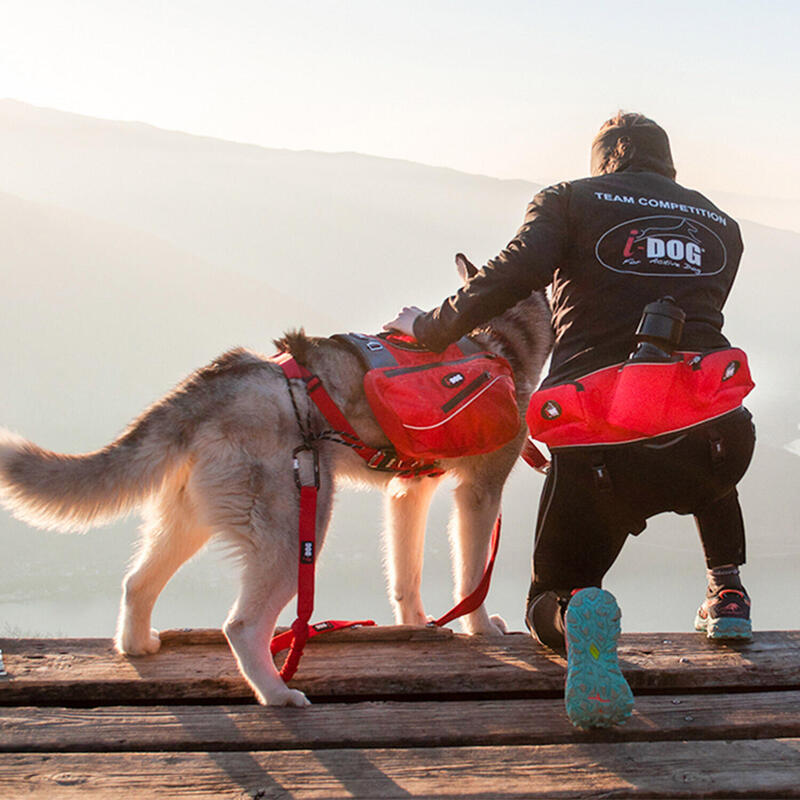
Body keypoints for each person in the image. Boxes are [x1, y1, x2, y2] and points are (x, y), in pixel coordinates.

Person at [384, 112, 755, 729]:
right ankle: (728, 591)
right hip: (717, 443)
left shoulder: (570, 199)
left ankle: (575, 608)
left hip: (601, 443)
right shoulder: (722, 225)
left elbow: (512, 275)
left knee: (547, 596)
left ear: (604, 161)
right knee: (697, 404)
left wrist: (431, 328)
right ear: (669, 167)